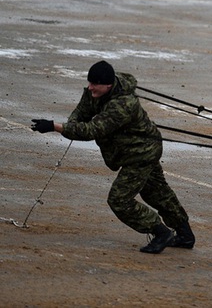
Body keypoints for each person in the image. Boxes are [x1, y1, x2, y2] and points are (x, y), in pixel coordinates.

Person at [31, 60, 195, 254]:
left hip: (141, 153)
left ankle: (160, 232)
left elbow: (92, 130)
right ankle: (185, 236)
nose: (90, 87)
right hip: (130, 152)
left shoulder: (123, 105)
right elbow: (81, 113)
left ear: (108, 85)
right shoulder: (96, 92)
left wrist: (55, 127)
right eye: (89, 82)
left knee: (119, 200)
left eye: (95, 84)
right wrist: (70, 125)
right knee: (157, 193)